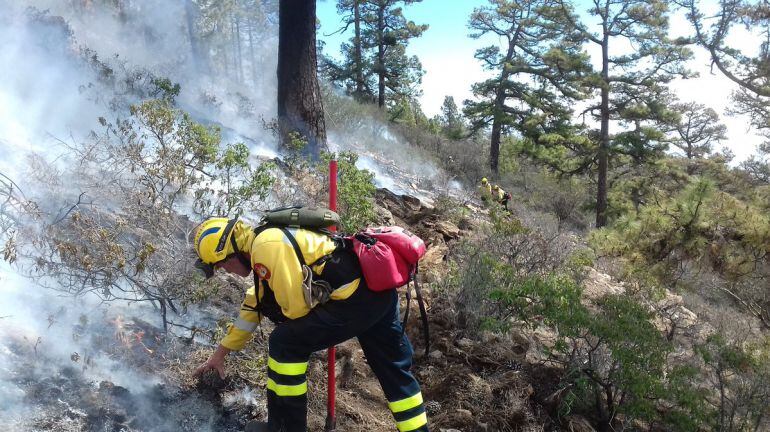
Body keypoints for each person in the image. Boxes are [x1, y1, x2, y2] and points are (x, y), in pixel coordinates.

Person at [191, 217, 429, 432]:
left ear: (231, 252)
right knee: (393, 370)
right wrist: (219, 355)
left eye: (221, 264)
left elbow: (296, 310)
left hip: (356, 299)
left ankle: (285, 428)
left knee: (284, 343)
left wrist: (282, 318)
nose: (224, 271)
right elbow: (252, 307)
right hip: (378, 293)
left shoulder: (266, 246)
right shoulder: (262, 245)